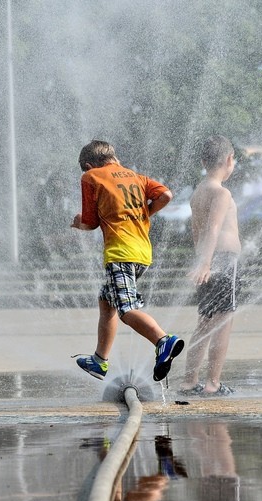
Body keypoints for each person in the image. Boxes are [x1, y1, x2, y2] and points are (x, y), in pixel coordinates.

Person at [71, 140, 184, 382]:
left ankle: (163, 341)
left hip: (120, 253)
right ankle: (99, 361)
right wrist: (143, 214)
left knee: (125, 309)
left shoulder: (91, 177)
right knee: (106, 302)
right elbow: (165, 195)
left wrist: (78, 222)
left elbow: (90, 222)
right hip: (142, 252)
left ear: (89, 165)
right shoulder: (137, 177)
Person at [178, 135, 241, 397]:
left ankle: (189, 381)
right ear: (229, 160)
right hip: (223, 261)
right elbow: (214, 229)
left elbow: (198, 232)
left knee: (204, 322)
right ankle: (213, 383)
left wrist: (201, 260)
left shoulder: (198, 193)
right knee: (223, 321)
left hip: (206, 260)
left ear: (204, 162)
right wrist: (206, 263)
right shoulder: (222, 192)